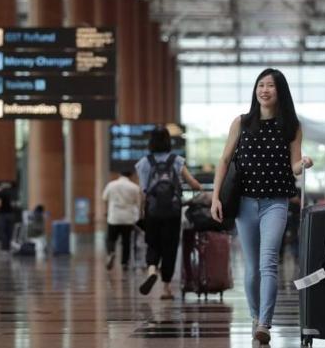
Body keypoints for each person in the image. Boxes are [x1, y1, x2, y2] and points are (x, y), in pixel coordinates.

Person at [210, 68, 314, 345]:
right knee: (252, 267)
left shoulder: (292, 126)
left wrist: (302, 163)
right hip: (244, 204)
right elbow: (223, 160)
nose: (264, 90)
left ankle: (265, 323)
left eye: (270, 85)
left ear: (280, 91)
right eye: (260, 85)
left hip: (275, 203)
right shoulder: (242, 123)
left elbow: (293, 166)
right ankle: (256, 316)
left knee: (268, 262)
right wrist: (215, 197)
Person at [136, 127, 202, 299]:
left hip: (152, 211)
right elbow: (194, 184)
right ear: (168, 141)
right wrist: (198, 188)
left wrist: (141, 213)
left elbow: (143, 191)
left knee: (153, 244)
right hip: (172, 212)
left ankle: (151, 270)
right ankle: (166, 288)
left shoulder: (144, 162)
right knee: (170, 248)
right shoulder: (176, 160)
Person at [102, 170, 141, 272]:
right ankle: (124, 263)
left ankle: (111, 252)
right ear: (131, 176)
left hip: (114, 217)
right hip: (128, 218)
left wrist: (106, 212)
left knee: (110, 239)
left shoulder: (111, 185)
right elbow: (138, 203)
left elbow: (105, 198)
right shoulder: (134, 187)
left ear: (119, 175)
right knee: (126, 242)